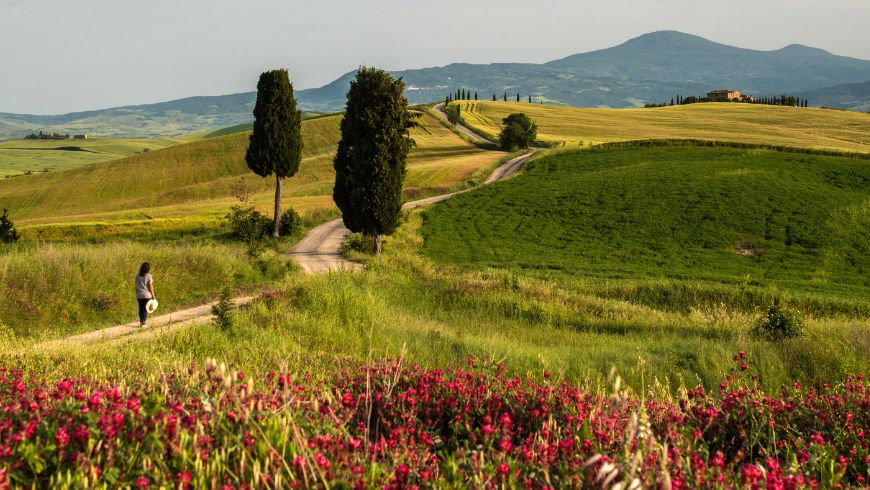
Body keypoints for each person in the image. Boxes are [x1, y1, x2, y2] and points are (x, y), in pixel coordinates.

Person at [135, 262, 156, 327]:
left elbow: (136, 286)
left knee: (141, 309)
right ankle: (143, 323)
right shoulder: (149, 276)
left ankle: (141, 322)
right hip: (146, 295)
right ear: (148, 269)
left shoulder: (137, 276)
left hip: (139, 295)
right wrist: (153, 295)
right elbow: (150, 287)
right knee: (145, 309)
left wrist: (137, 293)